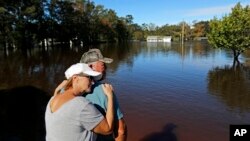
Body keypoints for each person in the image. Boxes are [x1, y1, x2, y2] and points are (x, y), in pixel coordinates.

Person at [45, 63, 115, 141]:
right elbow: (108, 129)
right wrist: (110, 96)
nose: (92, 82)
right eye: (89, 77)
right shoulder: (81, 104)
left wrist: (56, 91)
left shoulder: (52, 100)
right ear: (75, 78)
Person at [80, 49, 127, 141]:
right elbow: (121, 130)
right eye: (102, 65)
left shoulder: (65, 91)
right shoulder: (104, 91)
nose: (105, 68)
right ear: (91, 66)